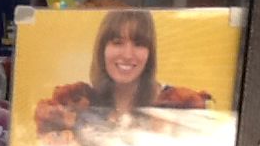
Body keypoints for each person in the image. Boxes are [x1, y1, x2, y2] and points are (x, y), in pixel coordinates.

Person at [35, 9, 211, 134]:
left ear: (150, 53)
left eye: (139, 44)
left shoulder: (181, 105)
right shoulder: (74, 103)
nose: (127, 55)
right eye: (117, 43)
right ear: (102, 49)